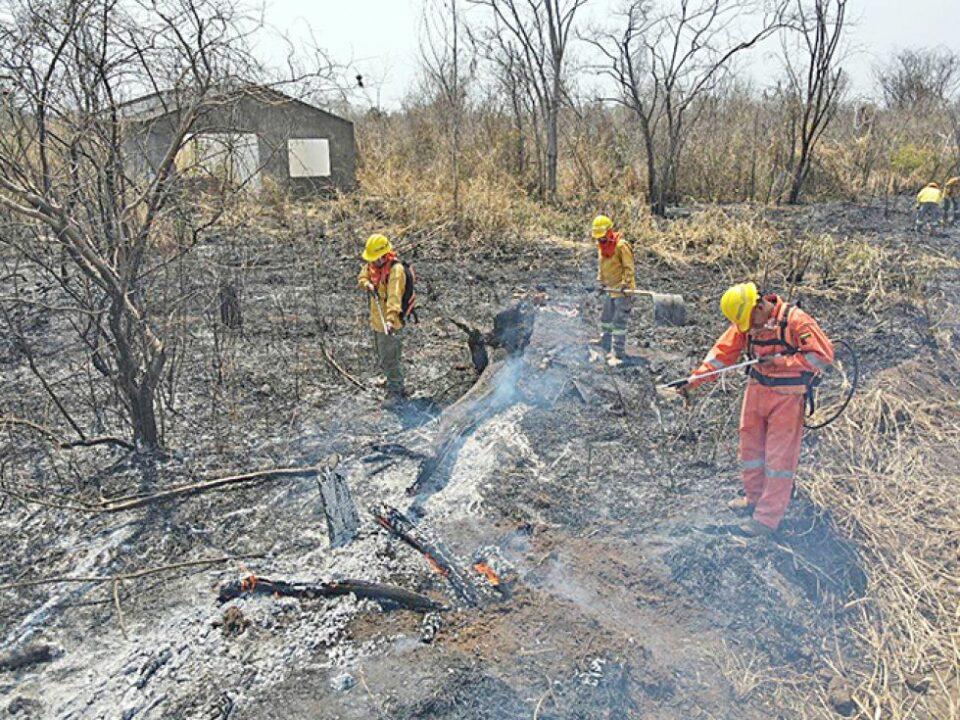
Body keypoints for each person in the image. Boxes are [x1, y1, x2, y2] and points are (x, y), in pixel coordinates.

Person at [677, 282, 834, 537]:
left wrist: (782, 361)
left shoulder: (796, 321)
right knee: (750, 450)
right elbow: (722, 355)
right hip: (757, 389)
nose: (750, 329)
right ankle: (754, 499)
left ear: (760, 305)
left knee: (778, 460)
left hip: (788, 396)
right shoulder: (747, 323)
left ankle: (766, 519)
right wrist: (694, 380)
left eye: (752, 321)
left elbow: (822, 357)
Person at [357, 234, 407, 406]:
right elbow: (362, 276)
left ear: (384, 255)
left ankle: (397, 392)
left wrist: (391, 320)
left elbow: (394, 298)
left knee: (390, 357)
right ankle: (390, 379)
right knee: (383, 354)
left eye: (375, 258)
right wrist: (367, 284)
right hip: (377, 321)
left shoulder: (396, 271)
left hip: (390, 323)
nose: (372, 262)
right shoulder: (373, 266)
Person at [592, 214, 636, 365]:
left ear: (609, 231)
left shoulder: (621, 246)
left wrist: (625, 284)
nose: (600, 240)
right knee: (606, 318)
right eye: (598, 238)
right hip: (610, 289)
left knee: (619, 322)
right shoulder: (602, 247)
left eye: (602, 237)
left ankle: (617, 353)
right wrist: (600, 282)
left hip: (623, 291)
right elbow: (602, 267)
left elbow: (629, 267)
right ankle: (605, 341)